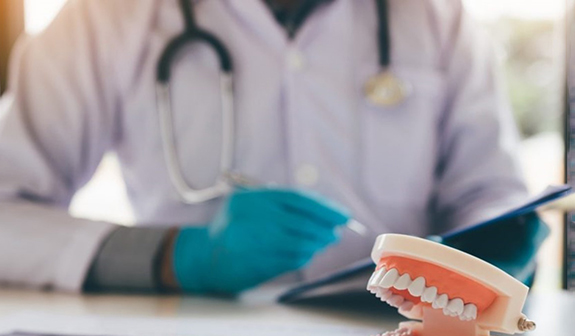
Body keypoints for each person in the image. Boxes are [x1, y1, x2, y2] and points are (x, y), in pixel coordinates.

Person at [0, 0, 537, 295]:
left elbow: (489, 190)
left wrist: (494, 242)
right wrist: (174, 257)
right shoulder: (103, 18)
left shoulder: (437, 18)